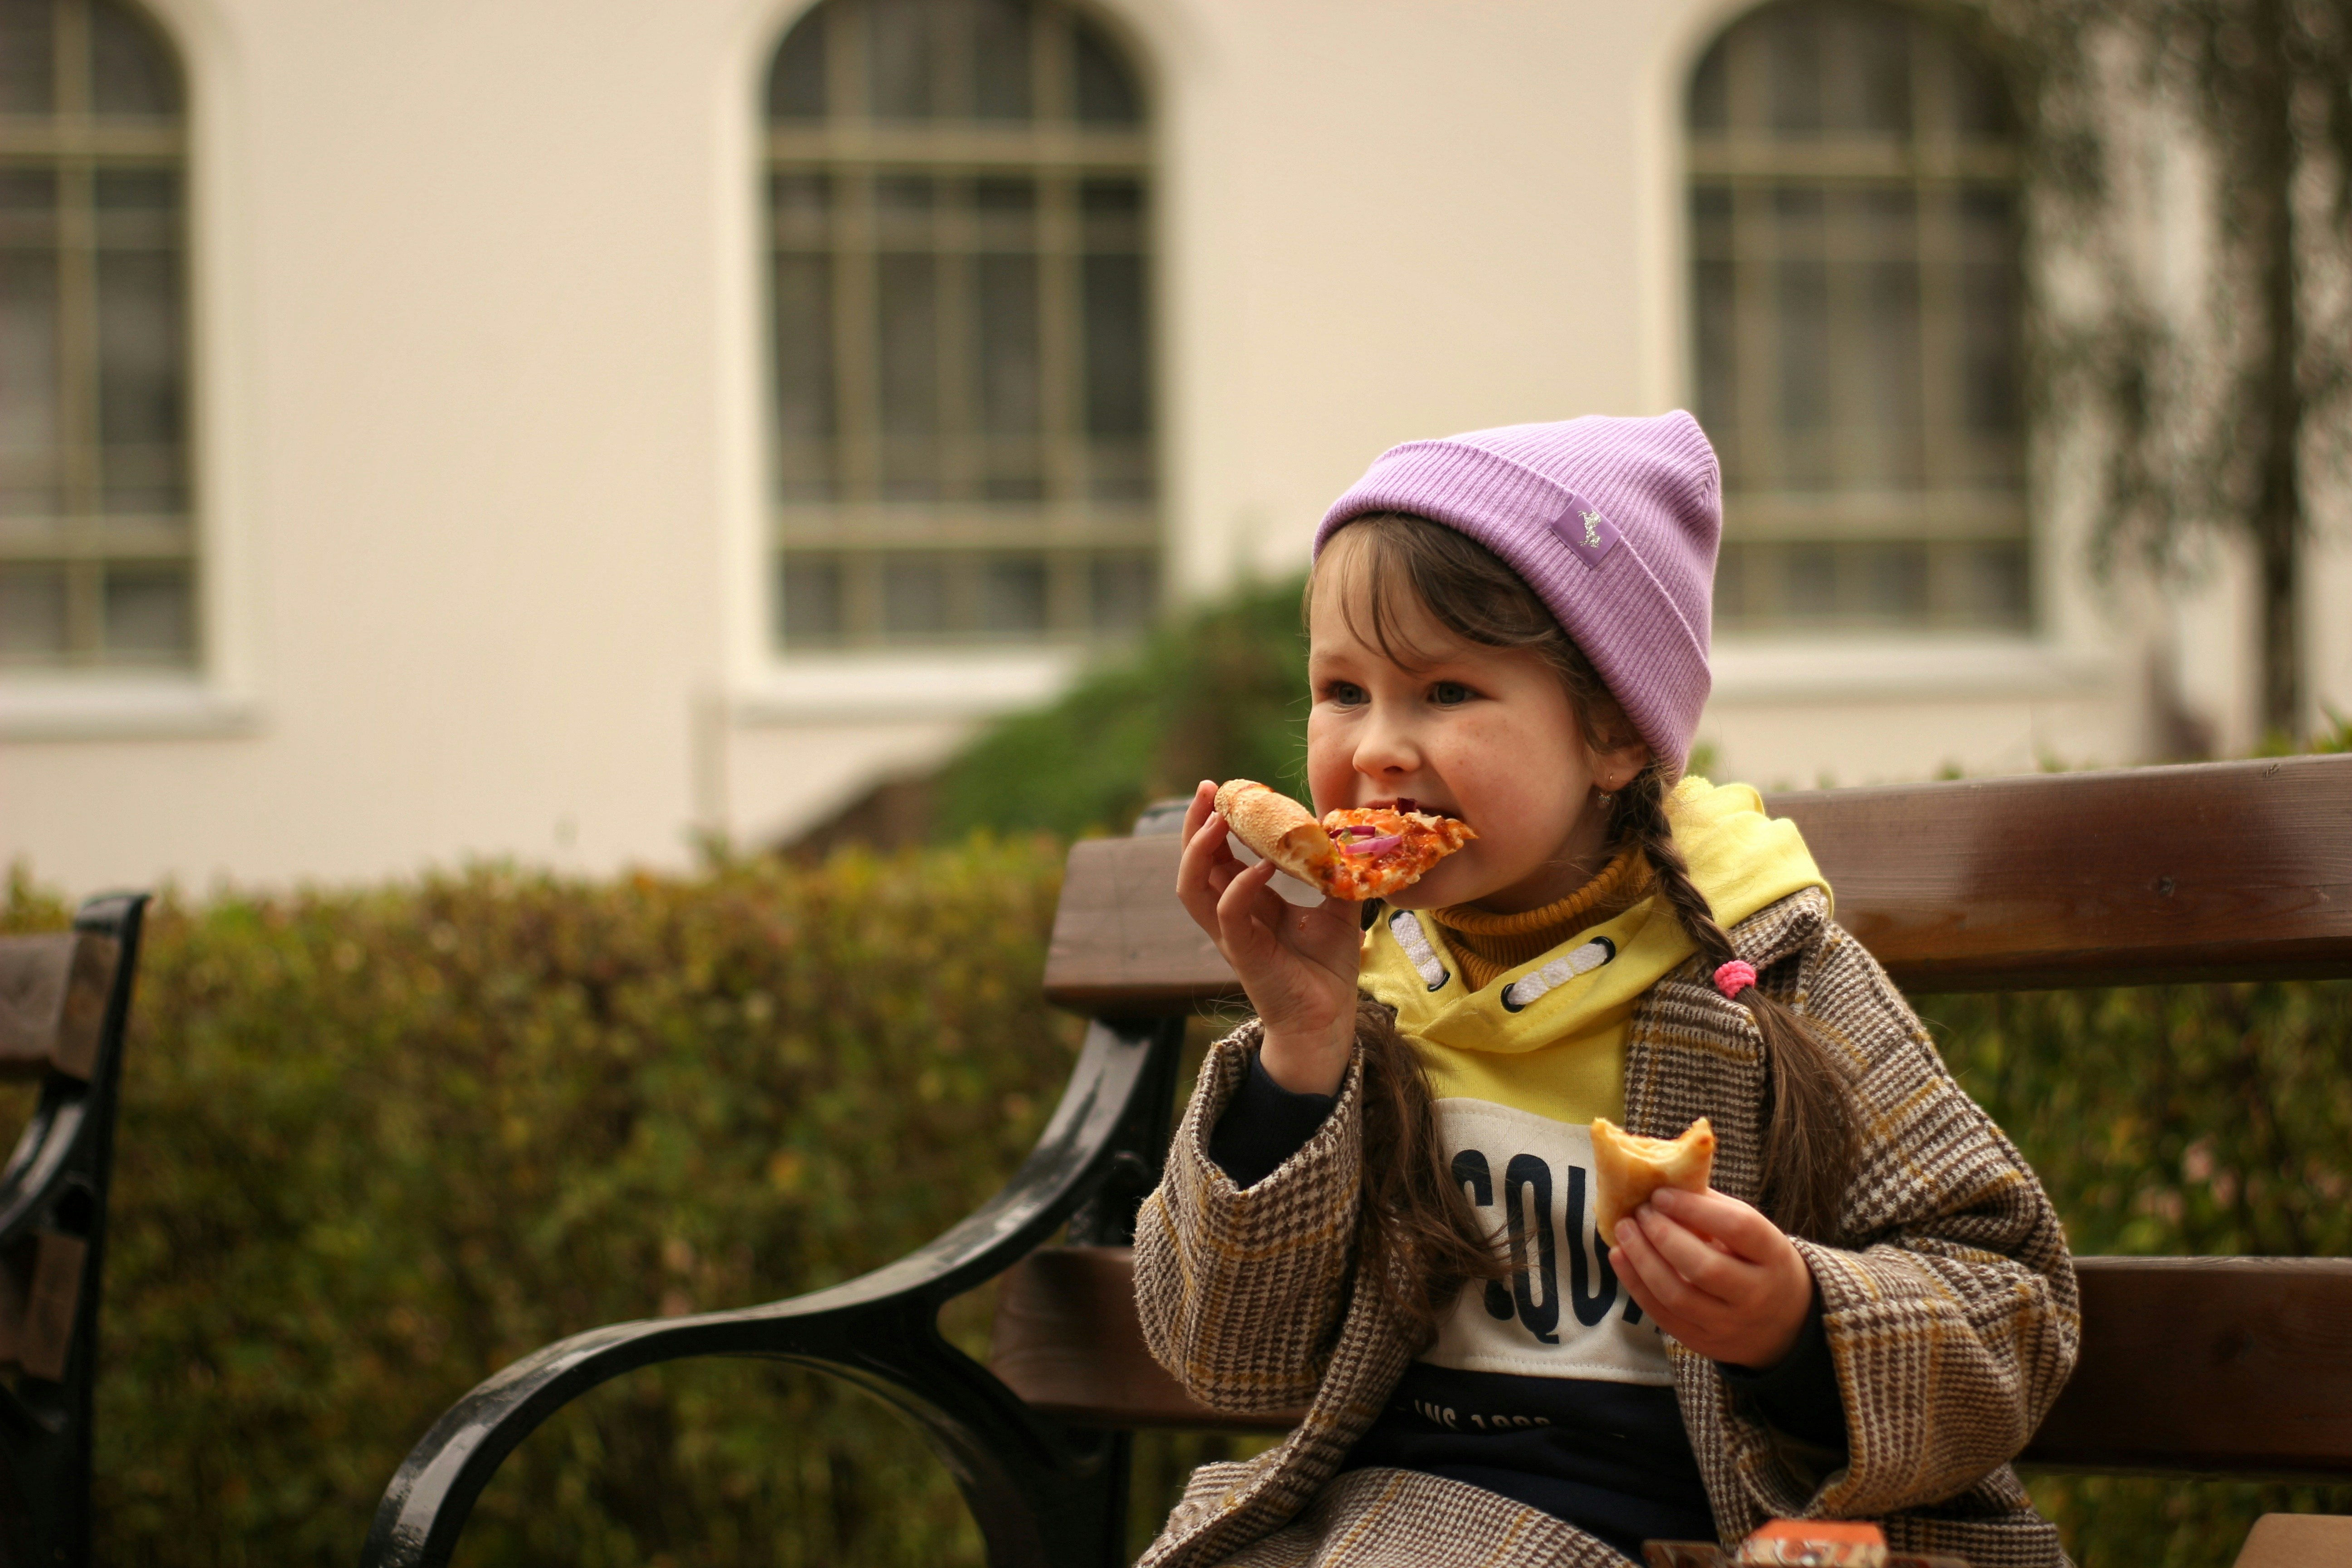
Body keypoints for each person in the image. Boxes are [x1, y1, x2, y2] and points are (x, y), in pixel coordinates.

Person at [1136, 413, 2078, 1568]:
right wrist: (1301, 1044)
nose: (1376, 748)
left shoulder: (1764, 975)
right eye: (1343, 689)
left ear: (1617, 734)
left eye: (1444, 692)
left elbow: (2012, 1306)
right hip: (1386, 1518)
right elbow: (1229, 1358)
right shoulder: (1366, 985)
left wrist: (1798, 1322)